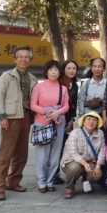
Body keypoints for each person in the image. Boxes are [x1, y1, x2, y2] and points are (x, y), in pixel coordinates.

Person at [0, 47, 38, 201]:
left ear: (30, 60)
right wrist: (2, 117)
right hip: (11, 117)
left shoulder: (32, 78)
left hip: (26, 116)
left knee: (22, 153)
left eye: (27, 57)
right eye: (20, 57)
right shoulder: (7, 76)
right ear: (15, 59)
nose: (23, 59)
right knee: (5, 154)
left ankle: (13, 181)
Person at [30, 60, 70, 193]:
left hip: (59, 122)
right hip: (42, 122)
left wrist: (59, 112)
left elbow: (66, 106)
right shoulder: (39, 87)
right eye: (51, 69)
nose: (54, 72)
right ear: (46, 72)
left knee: (55, 154)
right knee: (42, 154)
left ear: (60, 72)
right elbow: (33, 105)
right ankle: (41, 181)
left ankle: (50, 181)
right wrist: (45, 112)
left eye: (56, 70)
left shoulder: (63, 88)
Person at [60, 111, 106, 199]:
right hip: (71, 162)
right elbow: (73, 153)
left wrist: (98, 167)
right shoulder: (75, 133)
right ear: (83, 122)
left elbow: (102, 151)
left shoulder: (100, 133)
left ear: (97, 123)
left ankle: (85, 179)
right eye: (88, 119)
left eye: (94, 120)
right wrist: (85, 164)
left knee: (95, 175)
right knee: (75, 168)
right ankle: (69, 188)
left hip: (90, 162)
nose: (91, 122)